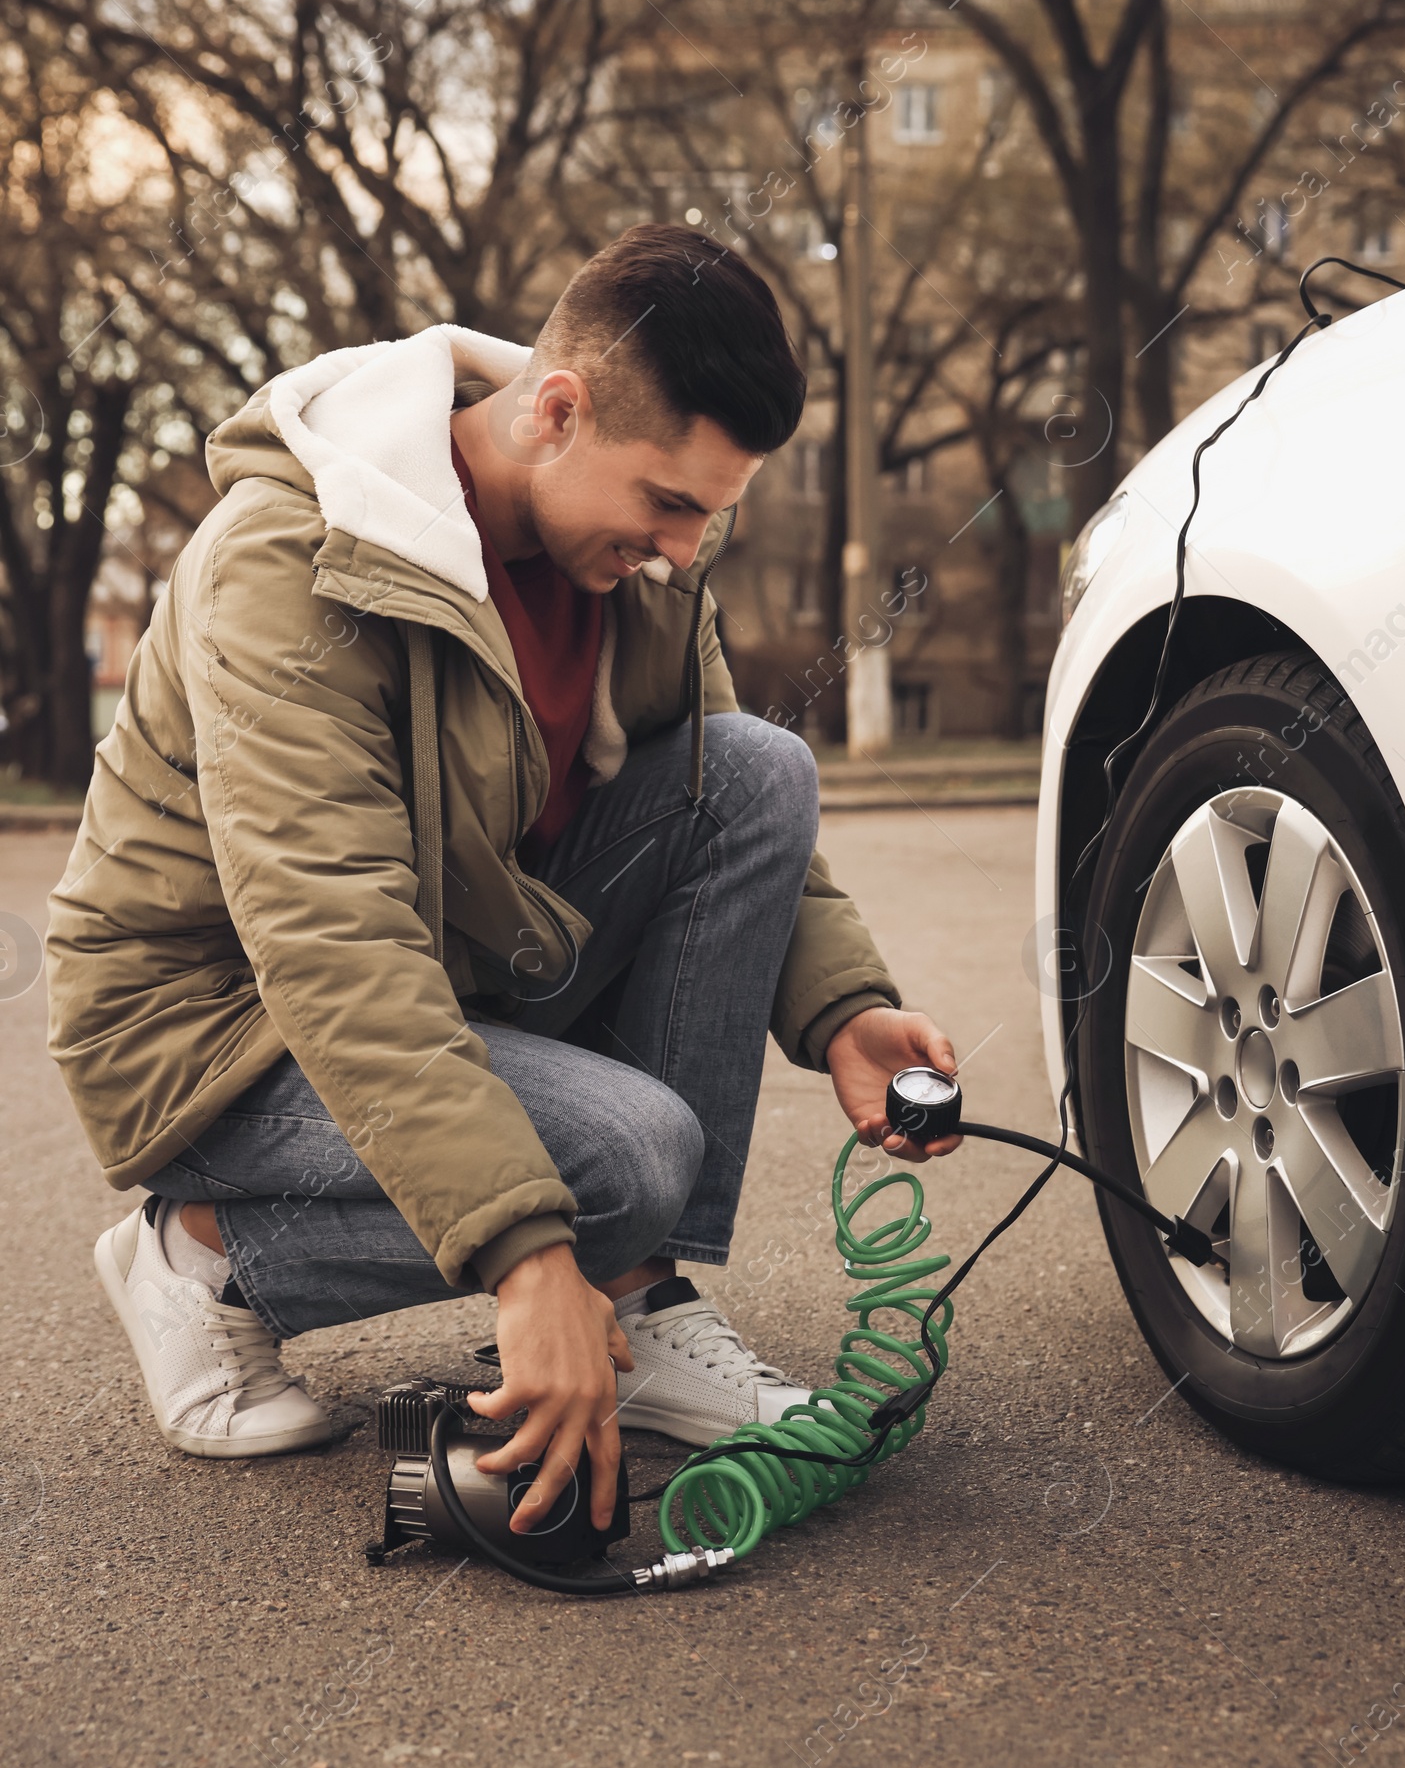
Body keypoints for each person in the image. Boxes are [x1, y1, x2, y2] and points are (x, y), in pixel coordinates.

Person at [48, 224, 959, 1540]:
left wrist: (844, 1011)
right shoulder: (289, 563)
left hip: (455, 949)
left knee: (757, 768)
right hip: (214, 1027)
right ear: (558, 410)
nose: (686, 549)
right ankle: (202, 1261)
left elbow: (715, 808)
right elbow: (332, 941)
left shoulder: (634, 570)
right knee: (629, 1151)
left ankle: (638, 1299)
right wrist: (526, 1260)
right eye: (667, 503)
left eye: (713, 513)